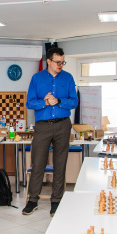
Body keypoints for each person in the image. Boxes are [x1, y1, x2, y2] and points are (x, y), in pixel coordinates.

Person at [23, 47, 78, 216]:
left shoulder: (68, 78)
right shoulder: (37, 78)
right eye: (58, 62)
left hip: (63, 125)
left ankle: (56, 201)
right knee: (38, 163)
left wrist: (59, 101)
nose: (61, 65)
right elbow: (29, 103)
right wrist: (45, 103)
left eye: (63, 62)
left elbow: (74, 101)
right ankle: (33, 200)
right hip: (43, 126)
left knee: (60, 164)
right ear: (48, 61)